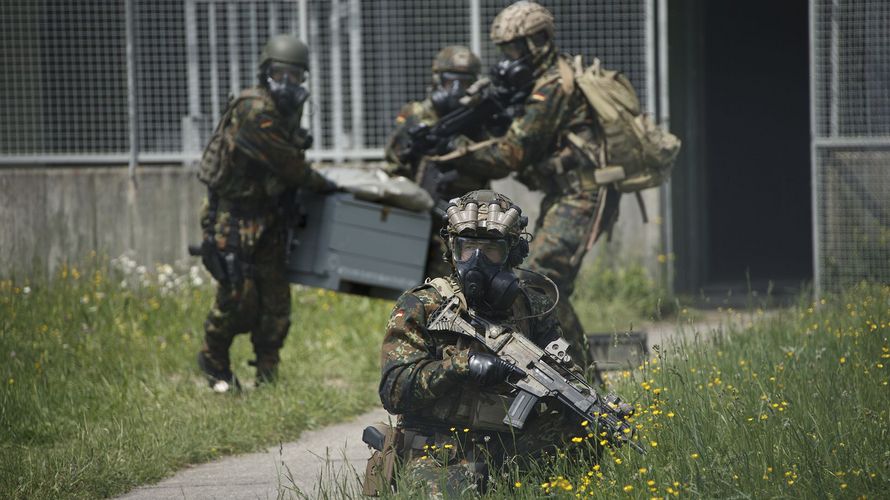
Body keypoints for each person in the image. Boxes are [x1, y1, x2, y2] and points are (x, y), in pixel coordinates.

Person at [435, 1, 616, 373]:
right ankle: (574, 372)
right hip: (564, 192)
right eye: (505, 51)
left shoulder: (552, 87)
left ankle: (579, 376)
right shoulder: (539, 83)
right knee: (545, 280)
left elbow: (511, 154)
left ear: (539, 42)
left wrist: (457, 152)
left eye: (516, 49)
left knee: (544, 280)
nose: (509, 60)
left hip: (582, 192)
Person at [377, 190, 591, 495]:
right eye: (467, 248)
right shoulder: (422, 305)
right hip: (438, 449)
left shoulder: (531, 307)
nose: (477, 261)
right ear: (453, 251)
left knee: (591, 434)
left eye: (490, 250)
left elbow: (567, 373)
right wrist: (460, 367)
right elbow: (393, 390)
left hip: (512, 446)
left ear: (512, 254)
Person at [195, 34, 335, 391]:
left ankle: (268, 375)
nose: (288, 84)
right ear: (265, 72)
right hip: (235, 218)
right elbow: (289, 165)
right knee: (236, 298)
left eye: (295, 77)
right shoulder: (254, 110)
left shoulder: (286, 108)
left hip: (270, 216)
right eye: (280, 75)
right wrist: (326, 184)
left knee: (275, 301)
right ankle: (214, 363)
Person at [383, 46, 491, 278]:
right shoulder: (417, 114)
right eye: (449, 82)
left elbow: (498, 162)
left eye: (464, 83)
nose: (455, 91)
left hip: (468, 215)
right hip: (420, 212)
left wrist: (460, 149)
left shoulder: (481, 119)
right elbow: (392, 166)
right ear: (436, 81)